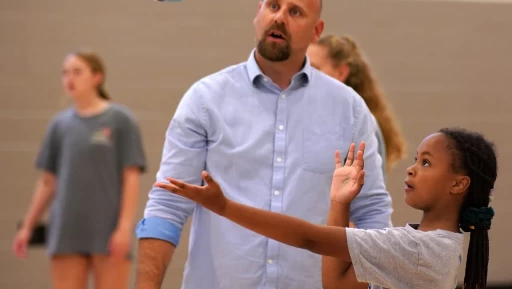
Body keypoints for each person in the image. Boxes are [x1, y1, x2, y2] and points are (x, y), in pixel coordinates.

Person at [135, 0, 392, 289]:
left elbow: (373, 214)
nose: (280, 17)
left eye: (295, 12)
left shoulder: (349, 109)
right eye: (273, 6)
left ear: (317, 31)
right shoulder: (205, 100)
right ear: (258, 14)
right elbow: (168, 204)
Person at [156, 127, 497, 289]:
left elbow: (309, 238)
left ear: (458, 184)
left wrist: (224, 206)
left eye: (426, 162)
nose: (411, 169)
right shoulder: (429, 245)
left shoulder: (421, 250)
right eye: (415, 160)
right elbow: (338, 284)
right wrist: (339, 203)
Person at [12, 51, 147, 289]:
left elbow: (131, 178)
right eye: (65, 73)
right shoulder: (59, 125)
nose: (69, 78)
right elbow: (47, 182)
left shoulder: (121, 120)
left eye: (77, 71)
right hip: (66, 230)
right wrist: (27, 226)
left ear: (97, 77)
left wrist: (125, 227)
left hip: (108, 230)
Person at [307, 34, 407, 175]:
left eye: (314, 69)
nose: (305, 75)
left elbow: (370, 193)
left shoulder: (360, 125)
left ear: (341, 73)